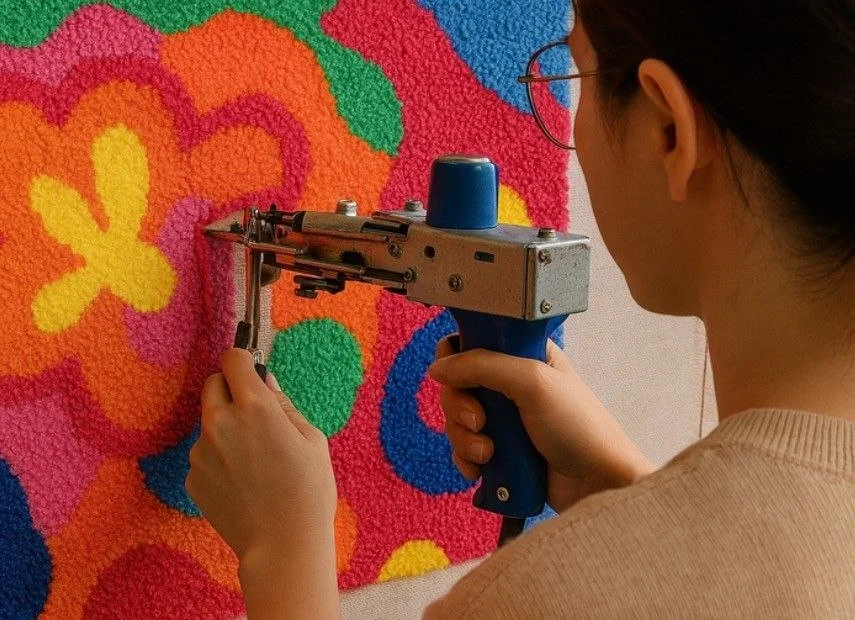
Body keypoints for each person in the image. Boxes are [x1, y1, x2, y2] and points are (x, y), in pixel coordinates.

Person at [185, 0, 855, 616]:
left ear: (669, 132)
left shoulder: (538, 598)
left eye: (575, 78)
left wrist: (283, 546)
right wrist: (624, 488)